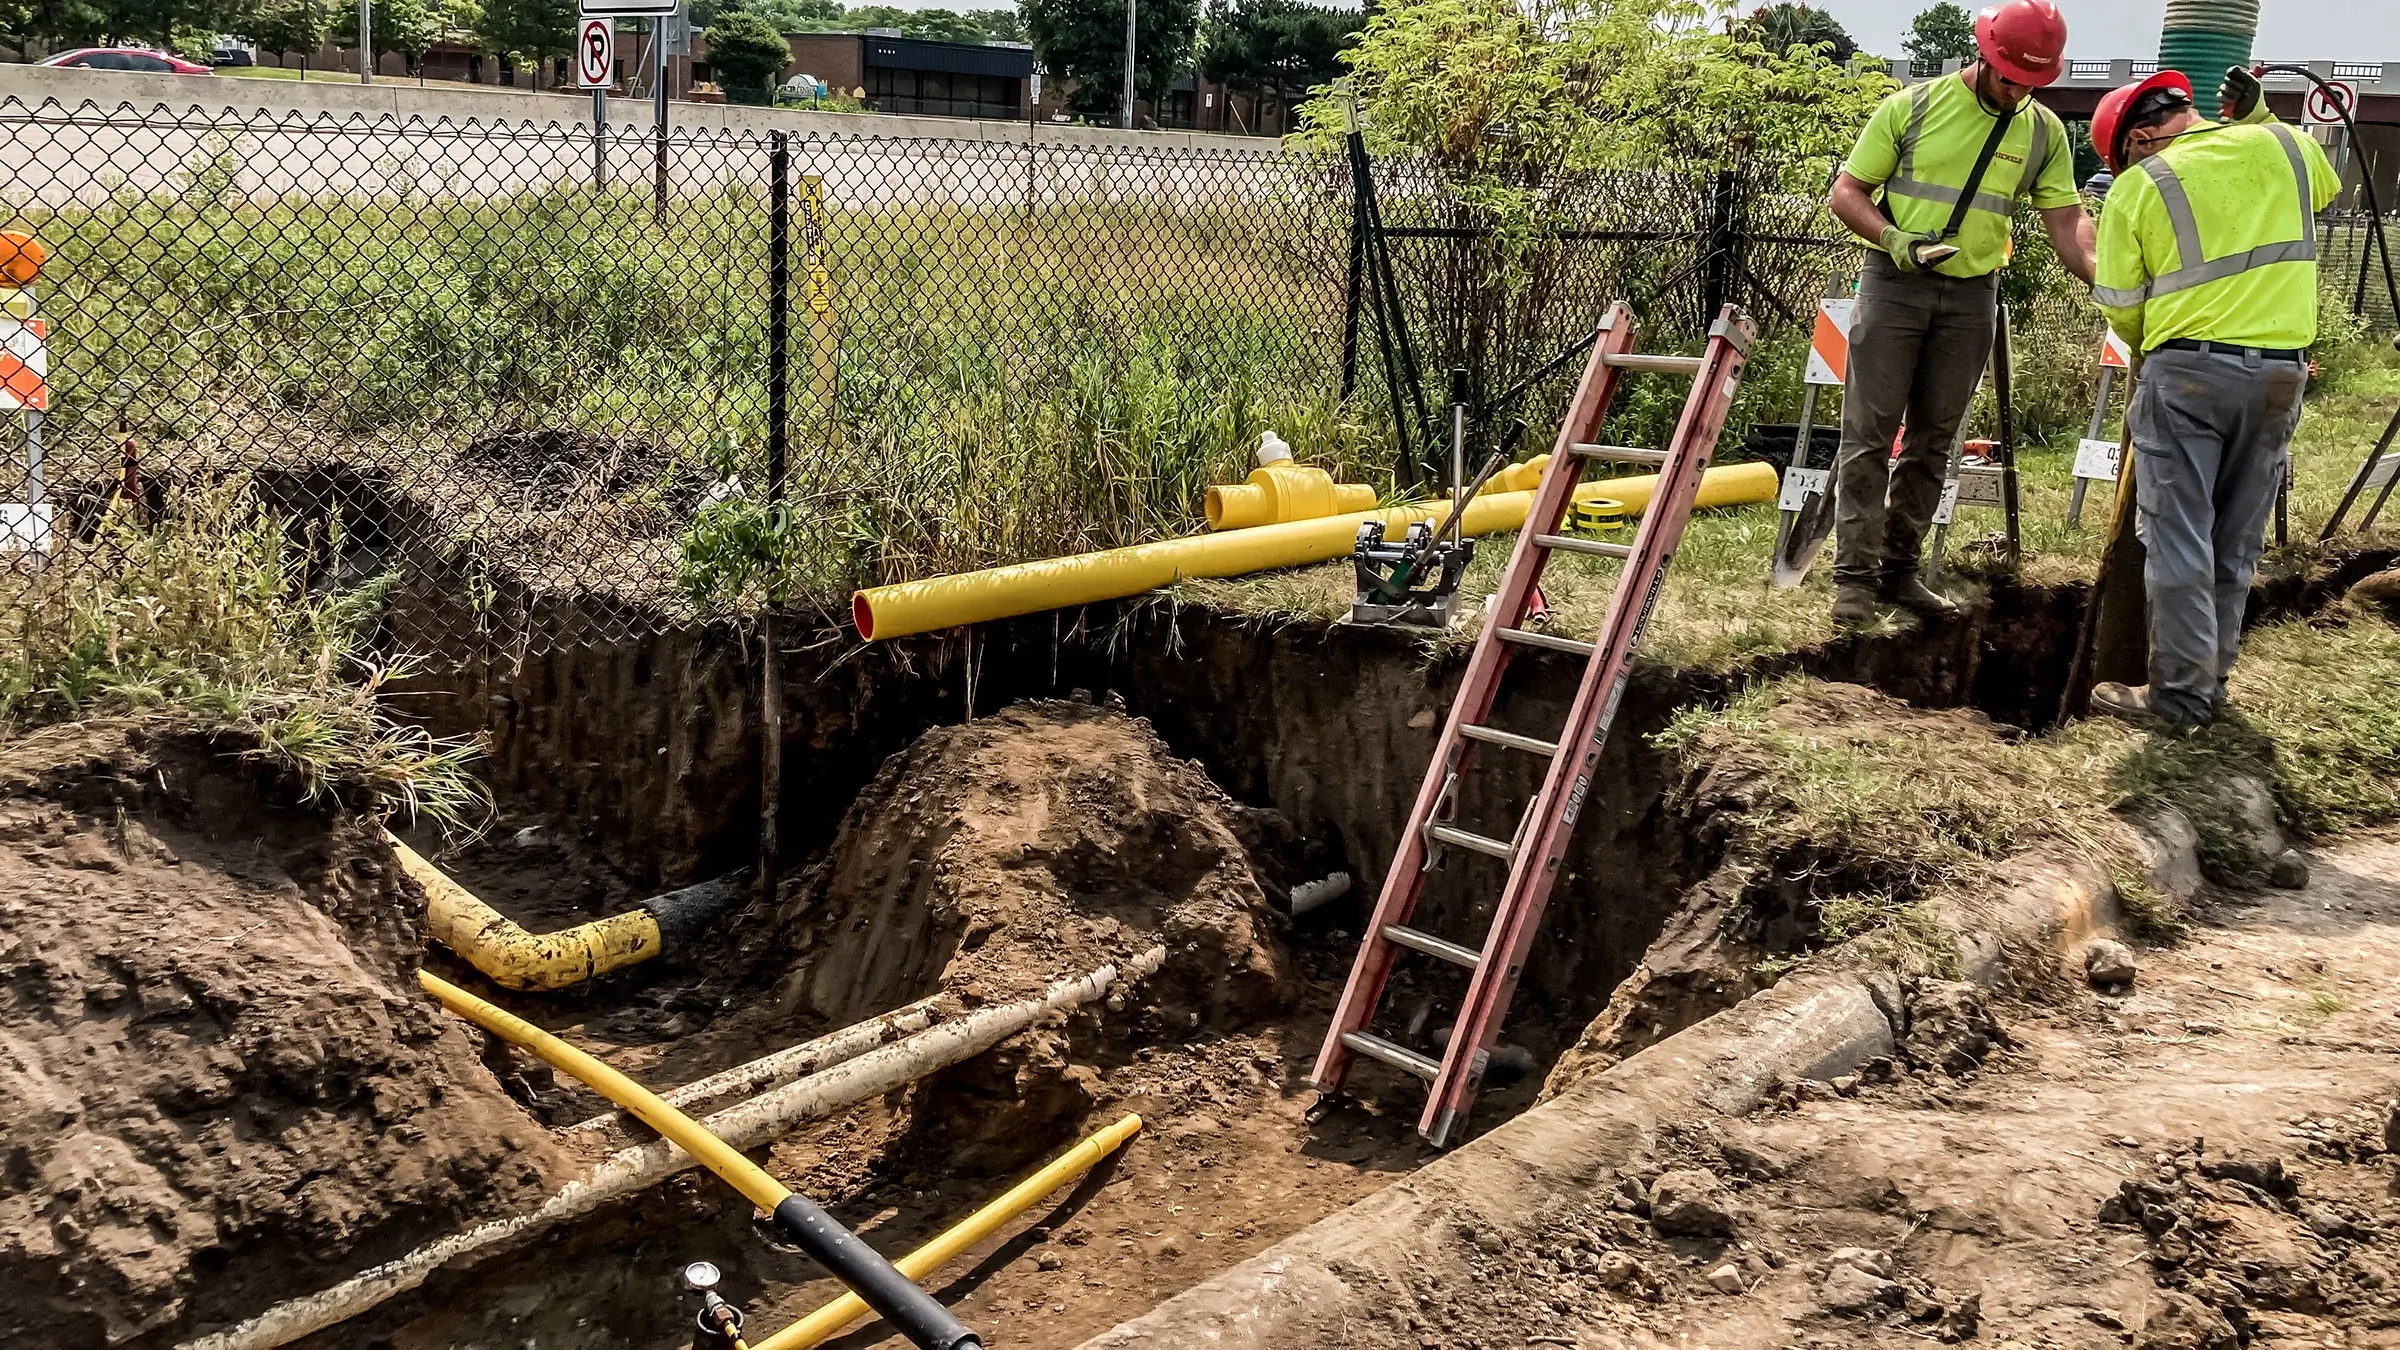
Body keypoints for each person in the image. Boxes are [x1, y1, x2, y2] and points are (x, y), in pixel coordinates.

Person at [1823, 0, 2096, 626]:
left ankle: (1899, 571)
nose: (2018, 92)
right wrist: (1895, 240)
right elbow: (1847, 192)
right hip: (1895, 282)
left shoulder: (2044, 133)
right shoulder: (1912, 107)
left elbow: (2065, 221)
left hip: (1973, 293)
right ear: (1986, 56)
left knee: (1935, 440)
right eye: (2010, 78)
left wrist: (2109, 282)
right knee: (1869, 434)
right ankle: (1854, 581)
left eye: (2032, 83)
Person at [2084, 67, 2339, 725]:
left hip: (2188, 376)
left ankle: (2179, 697)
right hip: (2282, 375)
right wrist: (2257, 118)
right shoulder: (2284, 146)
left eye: (2121, 161)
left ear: (2140, 140)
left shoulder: (2140, 187)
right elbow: (2327, 183)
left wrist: (2160, 346)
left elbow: (2121, 306)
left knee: (2178, 536)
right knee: (2236, 538)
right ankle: (2210, 685)